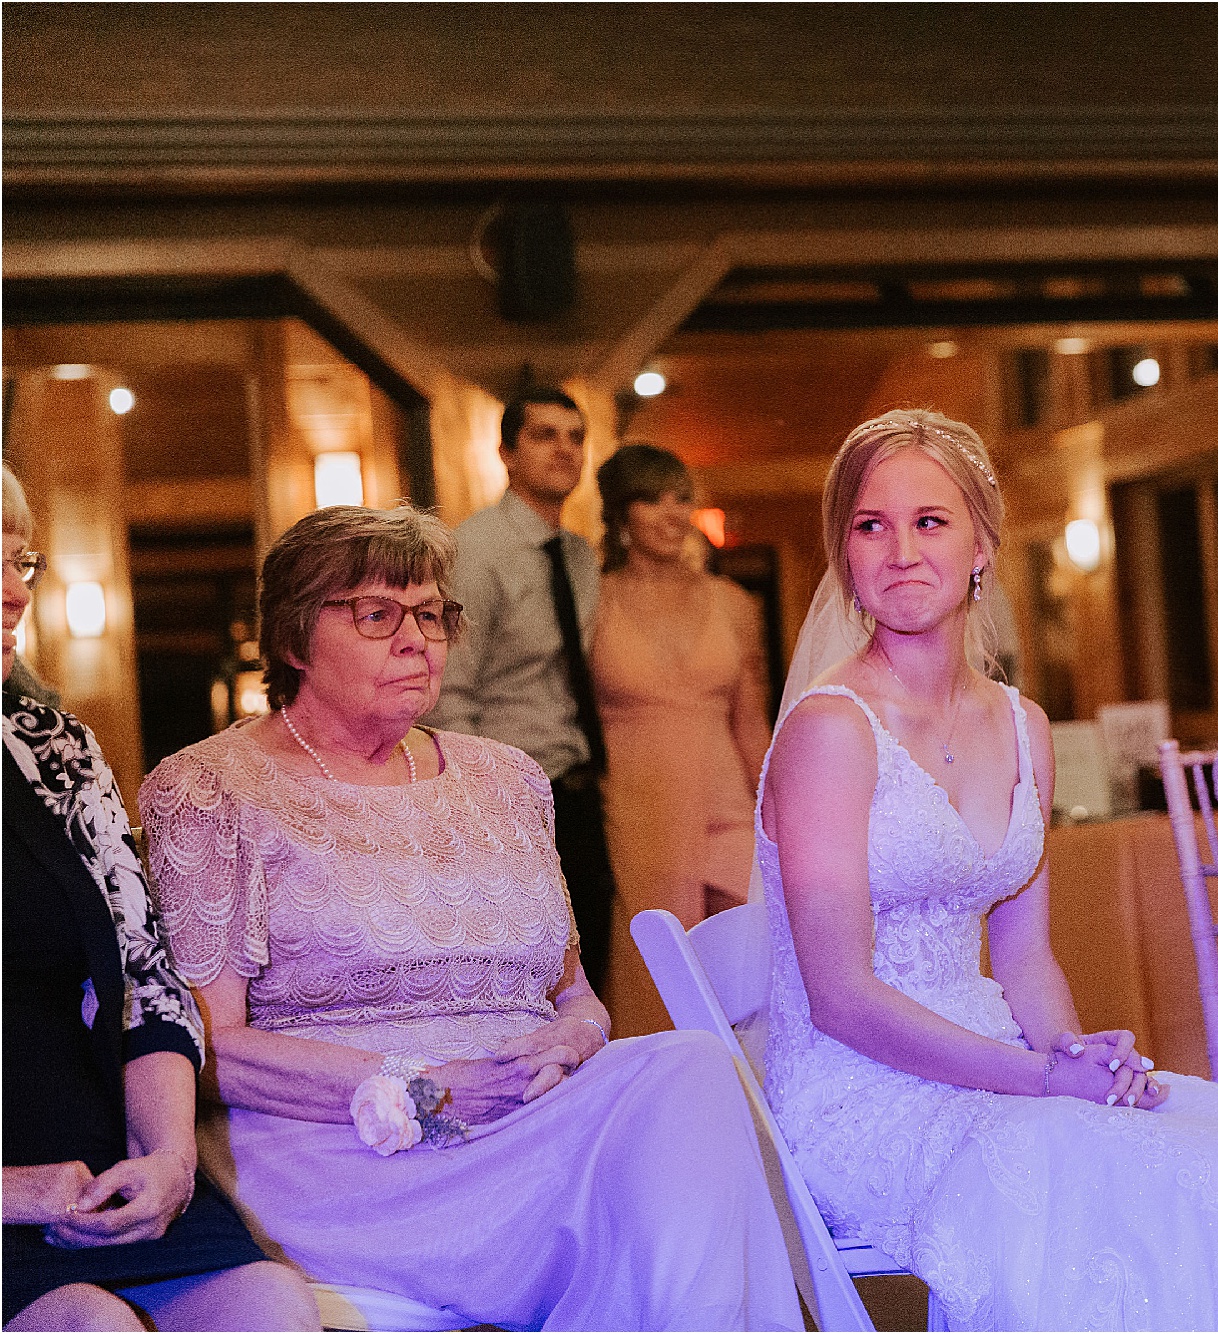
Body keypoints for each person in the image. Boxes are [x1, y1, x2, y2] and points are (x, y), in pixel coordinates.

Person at [758, 409, 1218, 1331]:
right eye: (871, 525)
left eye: (930, 521)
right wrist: (1038, 1082)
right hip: (860, 1087)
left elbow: (1024, 958)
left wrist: (1076, 1064)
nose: (900, 550)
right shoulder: (831, 731)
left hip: (996, 1056)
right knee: (1124, 1189)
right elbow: (840, 998)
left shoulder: (1024, 728)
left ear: (983, 544)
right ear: (844, 553)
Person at [140, 505, 799, 1331]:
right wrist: (415, 1083)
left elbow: (577, 998)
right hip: (353, 1154)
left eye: (432, 614)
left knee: (693, 1069)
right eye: (379, 615)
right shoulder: (211, 789)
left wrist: (577, 1039)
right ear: (293, 641)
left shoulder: (507, 778)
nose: (418, 640)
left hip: (534, 1122)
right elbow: (201, 1052)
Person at [2, 466, 318, 1333]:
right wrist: (16, 1193)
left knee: (272, 1306)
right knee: (86, 1324)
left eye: (20, 564)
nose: (12, 595)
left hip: (92, 1163)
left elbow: (143, 975)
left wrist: (172, 1158)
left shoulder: (49, 744)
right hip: (16, 1198)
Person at [424, 388, 616, 988]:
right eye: (543, 435)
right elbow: (452, 692)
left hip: (577, 785)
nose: (564, 450)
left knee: (593, 966)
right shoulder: (474, 552)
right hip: (509, 794)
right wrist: (480, 806)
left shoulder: (581, 557)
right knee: (529, 978)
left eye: (575, 436)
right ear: (506, 452)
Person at [592, 442, 772, 1037]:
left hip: (728, 802)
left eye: (682, 499)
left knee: (750, 966)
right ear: (621, 516)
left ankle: (756, 1112)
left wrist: (776, 813)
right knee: (656, 977)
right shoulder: (593, 601)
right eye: (651, 499)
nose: (671, 514)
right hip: (640, 804)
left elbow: (750, 722)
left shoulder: (734, 603)